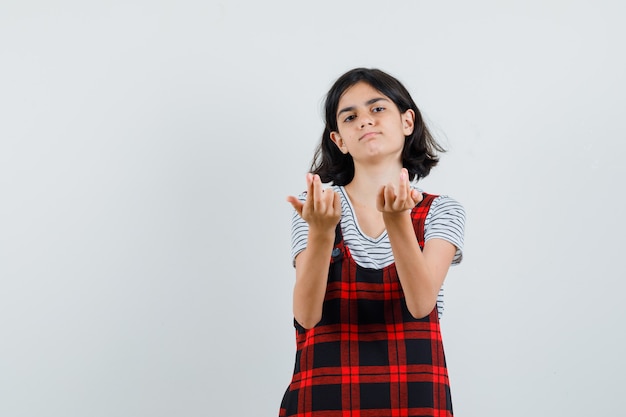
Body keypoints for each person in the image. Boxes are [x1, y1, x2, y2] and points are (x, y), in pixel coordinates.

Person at [280, 68, 465, 417]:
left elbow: (421, 304)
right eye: (350, 116)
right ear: (339, 140)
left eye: (377, 109)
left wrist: (397, 220)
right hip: (323, 399)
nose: (365, 121)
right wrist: (321, 233)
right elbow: (305, 315)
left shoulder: (442, 210)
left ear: (407, 121)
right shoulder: (317, 206)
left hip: (415, 401)